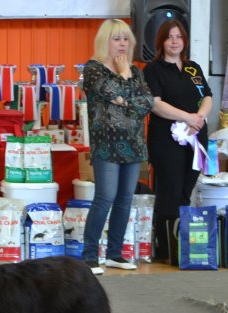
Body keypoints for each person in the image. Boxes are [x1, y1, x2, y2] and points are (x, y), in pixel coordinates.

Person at [81, 19, 154, 275]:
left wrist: (126, 96)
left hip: (134, 144)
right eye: (116, 39)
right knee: (105, 198)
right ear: (105, 42)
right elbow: (109, 91)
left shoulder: (138, 70)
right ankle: (89, 256)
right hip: (106, 145)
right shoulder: (93, 69)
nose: (122, 44)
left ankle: (114, 254)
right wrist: (124, 79)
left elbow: (145, 103)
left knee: (125, 199)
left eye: (125, 39)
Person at [143, 20, 213, 262]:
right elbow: (155, 103)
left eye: (179, 37)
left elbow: (207, 96)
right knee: (169, 191)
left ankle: (183, 245)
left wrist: (200, 117)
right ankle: (166, 249)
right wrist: (188, 118)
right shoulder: (153, 70)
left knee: (186, 190)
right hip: (167, 138)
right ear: (161, 41)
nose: (174, 41)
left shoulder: (193, 68)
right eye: (169, 37)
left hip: (196, 137)